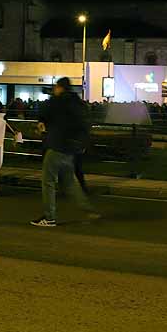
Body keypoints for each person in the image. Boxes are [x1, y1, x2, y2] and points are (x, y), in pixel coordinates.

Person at [31, 77, 97, 227]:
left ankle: (49, 217)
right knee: (70, 183)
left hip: (57, 146)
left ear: (60, 88)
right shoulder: (78, 103)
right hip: (71, 149)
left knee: (48, 181)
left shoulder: (58, 101)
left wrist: (42, 121)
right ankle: (88, 210)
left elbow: (44, 112)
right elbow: (85, 124)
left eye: (56, 87)